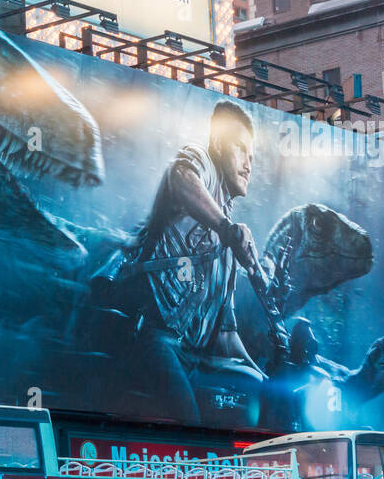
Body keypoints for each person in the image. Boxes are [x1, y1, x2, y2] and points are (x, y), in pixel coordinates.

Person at [88, 100, 262, 424]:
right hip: (151, 336)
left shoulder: (229, 245)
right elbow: (181, 177)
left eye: (252, 156)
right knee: (191, 428)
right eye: (240, 149)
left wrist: (261, 377)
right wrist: (226, 229)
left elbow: (226, 334)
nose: (248, 164)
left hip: (192, 357)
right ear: (220, 143)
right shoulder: (202, 166)